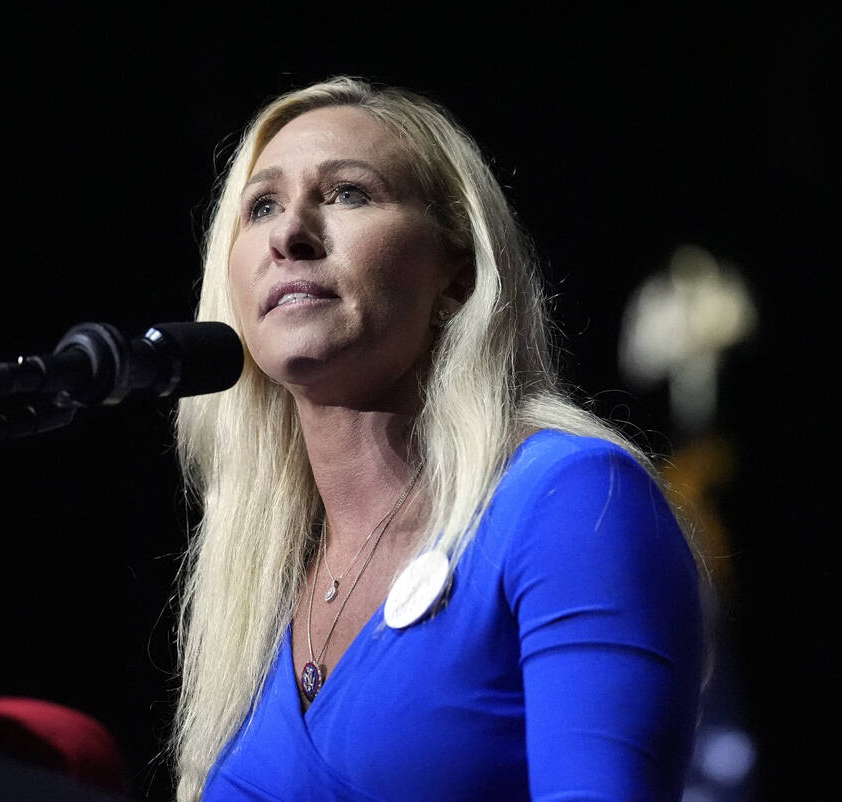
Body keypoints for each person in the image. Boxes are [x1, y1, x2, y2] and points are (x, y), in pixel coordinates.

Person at [173, 74, 705, 801]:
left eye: (347, 194)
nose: (289, 233)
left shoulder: (570, 498)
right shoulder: (261, 575)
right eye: (262, 205)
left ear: (455, 274)